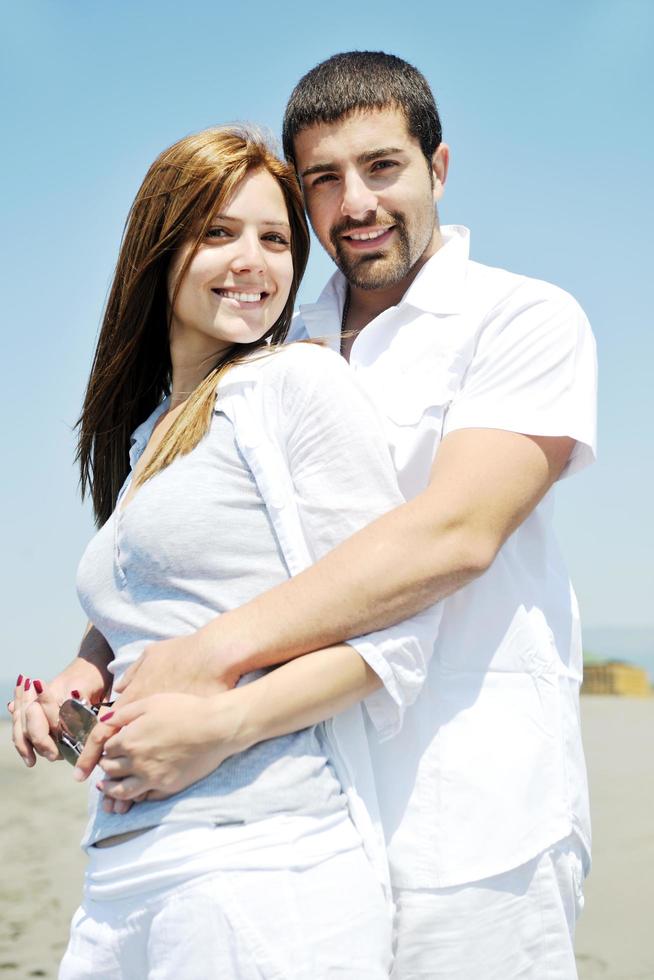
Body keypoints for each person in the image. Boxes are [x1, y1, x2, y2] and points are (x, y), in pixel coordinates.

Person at [58, 53, 596, 979]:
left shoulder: (519, 319)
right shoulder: (280, 346)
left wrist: (213, 658)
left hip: (475, 824)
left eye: (383, 166)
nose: (356, 202)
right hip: (306, 805)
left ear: (439, 166)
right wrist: (97, 655)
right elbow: (204, 545)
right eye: (324, 180)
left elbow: (454, 535)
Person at [11, 123, 442, 979]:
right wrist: (73, 691)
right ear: (158, 247)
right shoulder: (146, 438)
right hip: (123, 870)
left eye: (276, 238)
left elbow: (399, 628)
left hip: (261, 866)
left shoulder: (298, 383)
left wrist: (223, 722)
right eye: (219, 232)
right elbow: (153, 622)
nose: (253, 260)